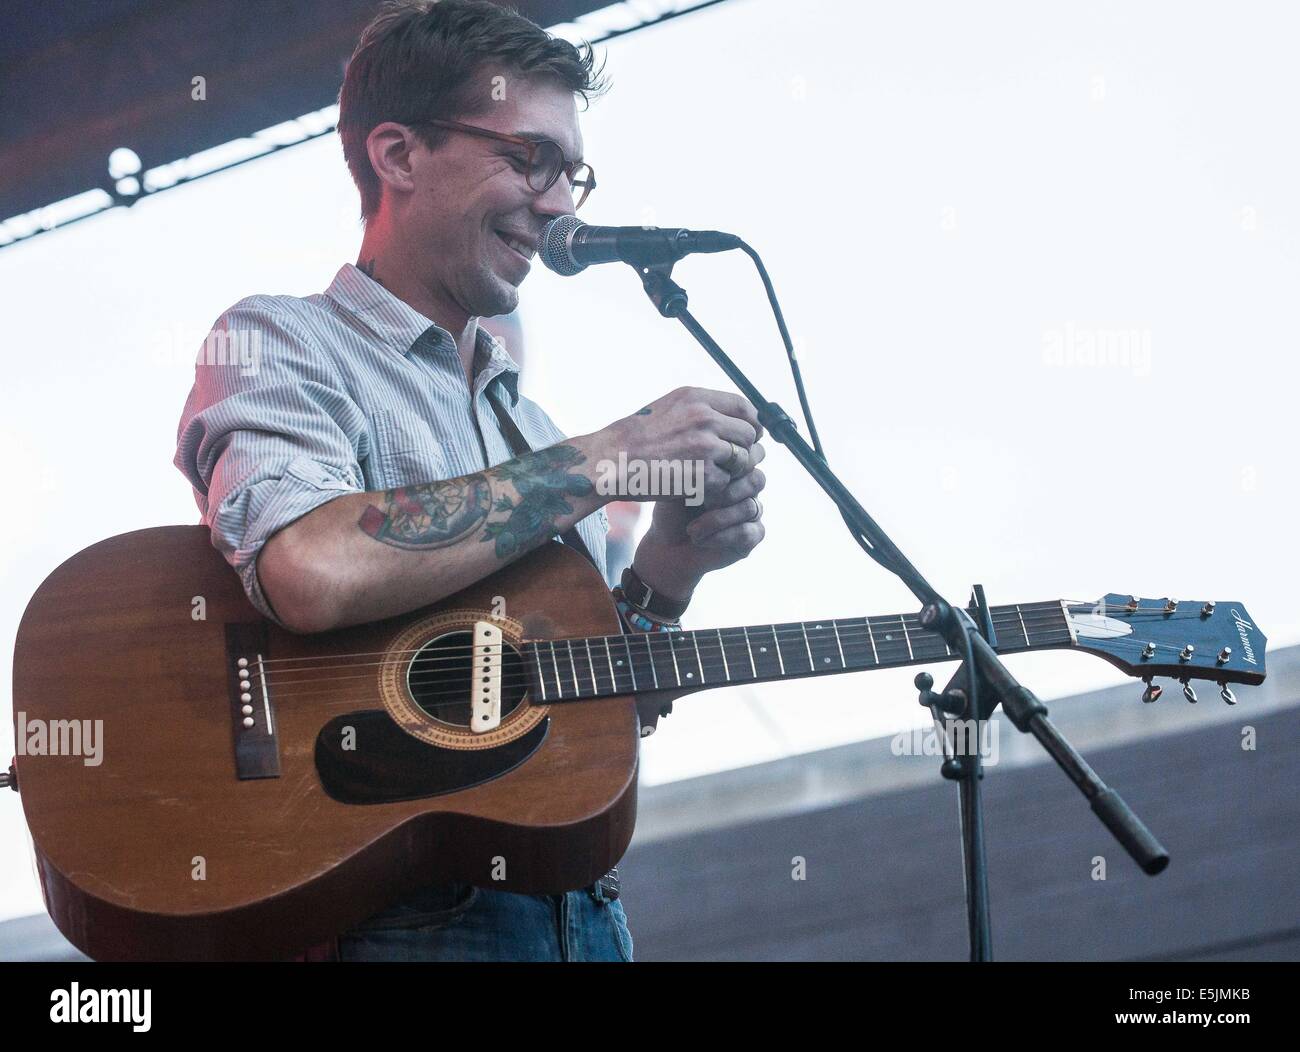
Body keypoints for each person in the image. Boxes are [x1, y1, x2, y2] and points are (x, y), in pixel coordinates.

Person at [174, 0, 767, 962]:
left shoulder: (526, 428)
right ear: (398, 155)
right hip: (398, 915)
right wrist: (611, 453)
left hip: (579, 917)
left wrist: (671, 569)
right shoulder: (284, 340)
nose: (561, 202)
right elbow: (308, 568)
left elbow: (589, 708)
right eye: (528, 158)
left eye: (572, 172)